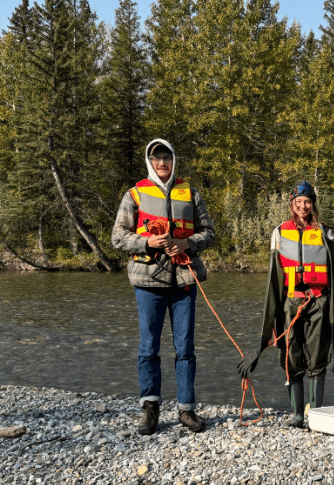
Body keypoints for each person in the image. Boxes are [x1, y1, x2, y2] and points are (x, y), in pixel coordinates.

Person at [112, 139, 215, 435]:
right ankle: (150, 409)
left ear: (173, 161)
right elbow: (118, 237)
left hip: (183, 280)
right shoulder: (134, 194)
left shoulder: (191, 193)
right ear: (149, 161)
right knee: (149, 348)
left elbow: (209, 233)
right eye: (156, 159)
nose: (162, 164)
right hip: (147, 282)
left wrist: (187, 242)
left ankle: (186, 409)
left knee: (185, 348)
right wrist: (146, 242)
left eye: (166, 158)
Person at [237, 181, 334, 428]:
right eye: (298, 202)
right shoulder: (279, 233)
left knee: (317, 359)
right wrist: (264, 339)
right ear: (292, 205)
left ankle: (315, 416)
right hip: (291, 303)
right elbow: (274, 281)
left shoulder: (326, 233)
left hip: (319, 300)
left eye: (307, 201)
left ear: (313, 204)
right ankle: (296, 415)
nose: (303, 206)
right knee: (291, 356)